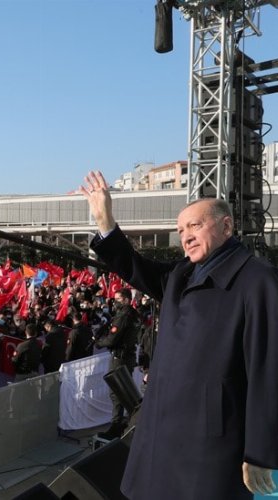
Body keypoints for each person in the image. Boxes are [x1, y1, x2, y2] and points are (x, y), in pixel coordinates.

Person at [80, 170, 278, 498]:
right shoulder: (181, 274)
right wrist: (105, 220)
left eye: (195, 226)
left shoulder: (257, 281)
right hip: (160, 430)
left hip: (210, 443)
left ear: (226, 226)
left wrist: (260, 451)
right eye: (181, 229)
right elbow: (133, 266)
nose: (185, 236)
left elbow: (268, 371)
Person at [95, 287, 140, 440]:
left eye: (118, 300)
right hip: (128, 356)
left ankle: (116, 425)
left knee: (116, 391)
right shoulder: (134, 314)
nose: (115, 303)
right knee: (123, 390)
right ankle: (123, 423)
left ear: (126, 300)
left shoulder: (124, 315)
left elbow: (113, 338)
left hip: (120, 357)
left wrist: (100, 343)